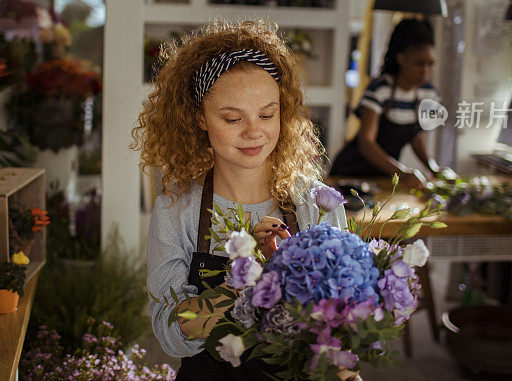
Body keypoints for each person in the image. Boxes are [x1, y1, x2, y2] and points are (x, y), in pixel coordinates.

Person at [133, 20, 353, 380]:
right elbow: (171, 331)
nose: (254, 131)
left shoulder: (315, 203)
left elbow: (340, 318)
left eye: (267, 114)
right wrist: (249, 274)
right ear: (200, 118)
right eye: (233, 118)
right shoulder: (178, 209)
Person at [329, 18, 441, 190]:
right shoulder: (381, 89)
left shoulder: (426, 93)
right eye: (418, 63)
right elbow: (366, 143)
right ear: (401, 59)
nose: (425, 71)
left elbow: (415, 136)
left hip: (383, 176)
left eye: (430, 64)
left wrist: (434, 169)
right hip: (351, 173)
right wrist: (402, 173)